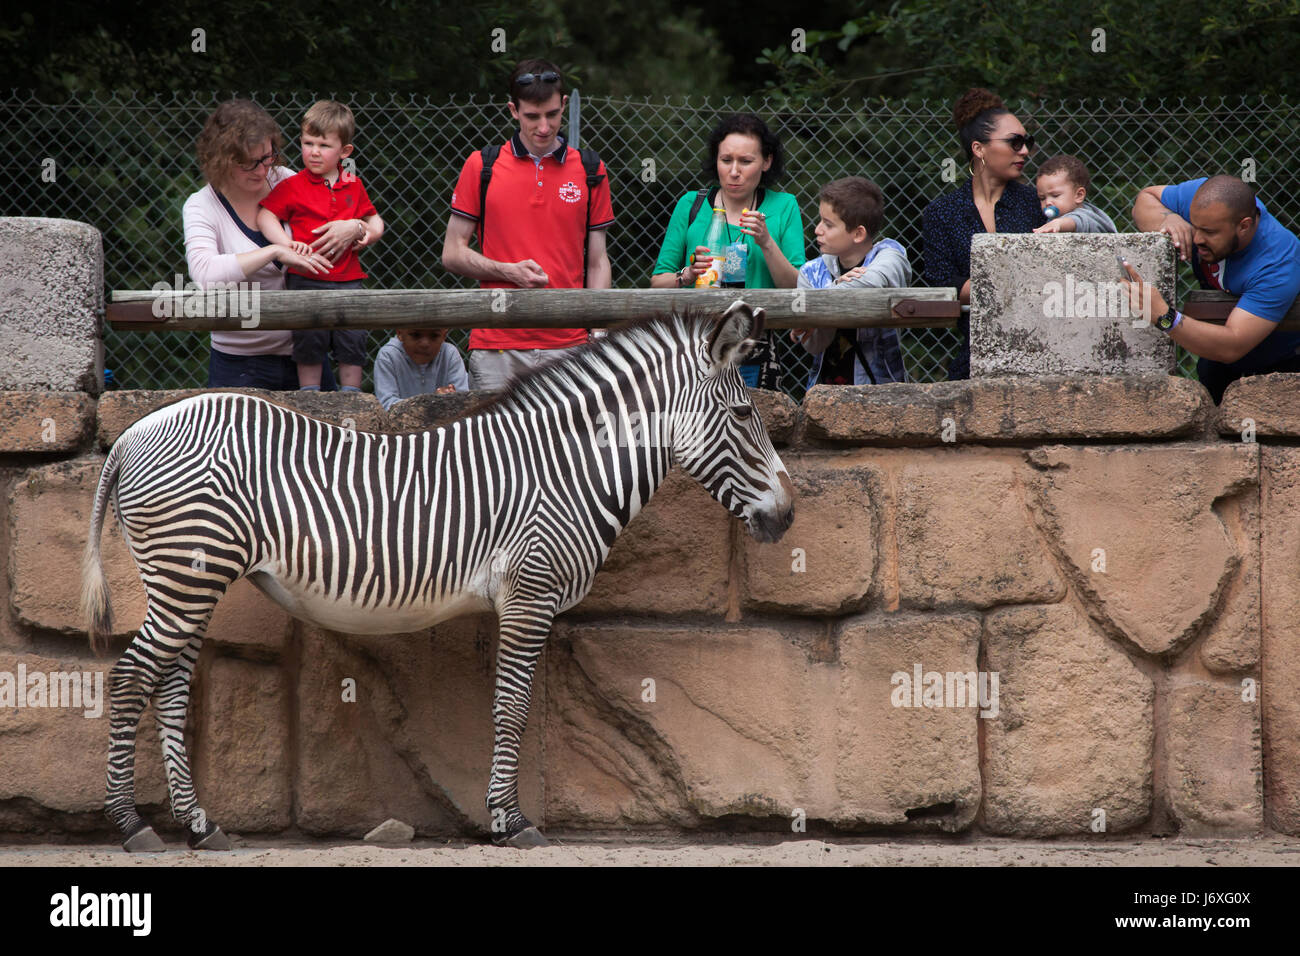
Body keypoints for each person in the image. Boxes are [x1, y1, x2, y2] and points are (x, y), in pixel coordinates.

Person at [441, 59, 614, 391]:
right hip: (497, 342)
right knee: (490, 444)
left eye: (552, 114)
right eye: (532, 116)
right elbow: (452, 253)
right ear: (513, 110)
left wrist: (599, 330)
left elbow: (597, 259)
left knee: (570, 443)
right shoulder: (482, 165)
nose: (544, 127)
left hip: (569, 344)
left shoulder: (591, 170)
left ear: (564, 105)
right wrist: (508, 271)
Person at [183, 99, 341, 389]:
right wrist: (274, 251)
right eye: (248, 163)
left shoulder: (287, 180)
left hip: (307, 355)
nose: (262, 170)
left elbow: (341, 210)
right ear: (220, 159)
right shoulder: (201, 206)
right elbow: (205, 274)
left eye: (268, 157)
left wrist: (353, 226)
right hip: (241, 363)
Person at [651, 113, 805, 386]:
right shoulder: (691, 204)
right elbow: (657, 282)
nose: (734, 171)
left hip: (753, 345)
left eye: (746, 161)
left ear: (766, 162)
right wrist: (686, 275)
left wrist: (767, 243)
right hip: (692, 346)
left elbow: (798, 287)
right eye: (726, 160)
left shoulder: (784, 206)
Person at [1128, 174, 1300, 403]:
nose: (1197, 238)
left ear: (1244, 226)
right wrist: (1167, 219)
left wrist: (1164, 316)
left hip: (1279, 367)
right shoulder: (1205, 198)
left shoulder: (1279, 264)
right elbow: (1145, 198)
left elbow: (1232, 345)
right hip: (1215, 360)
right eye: (1194, 225)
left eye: (1209, 232)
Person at [258, 100, 385, 392]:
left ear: (345, 152)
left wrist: (369, 233)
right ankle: (310, 398)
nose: (314, 152)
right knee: (308, 340)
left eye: (324, 145)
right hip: (306, 278)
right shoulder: (293, 186)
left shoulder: (352, 183)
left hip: (349, 279)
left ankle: (351, 397)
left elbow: (374, 218)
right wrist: (287, 245)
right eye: (308, 142)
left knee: (352, 340)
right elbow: (266, 216)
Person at [922, 88, 1046, 380]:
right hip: (976, 353)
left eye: (1027, 142)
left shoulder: (1036, 202)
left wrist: (983, 286)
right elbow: (941, 283)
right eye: (1015, 142)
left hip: (1041, 347)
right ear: (979, 149)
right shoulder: (942, 212)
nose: (1025, 151)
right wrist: (1007, 286)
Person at [791, 176, 912, 386]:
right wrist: (833, 293)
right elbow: (813, 344)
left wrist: (820, 306)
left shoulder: (890, 255)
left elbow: (871, 283)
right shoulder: (811, 272)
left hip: (882, 391)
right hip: (825, 392)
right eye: (820, 220)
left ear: (858, 233)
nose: (817, 229)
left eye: (828, 224)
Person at [373, 328, 470, 410]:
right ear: (400, 333)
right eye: (415, 335)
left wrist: (452, 397)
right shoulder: (388, 355)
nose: (424, 344)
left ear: (444, 335)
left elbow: (464, 400)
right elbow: (386, 405)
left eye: (434, 336)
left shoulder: (449, 354)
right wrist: (432, 403)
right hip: (401, 429)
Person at [1032, 154, 1116, 233]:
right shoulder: (1054, 219)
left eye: (1055, 195)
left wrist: (1058, 224)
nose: (1048, 202)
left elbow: (1076, 221)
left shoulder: (1086, 215)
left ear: (1079, 195)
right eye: (1042, 198)